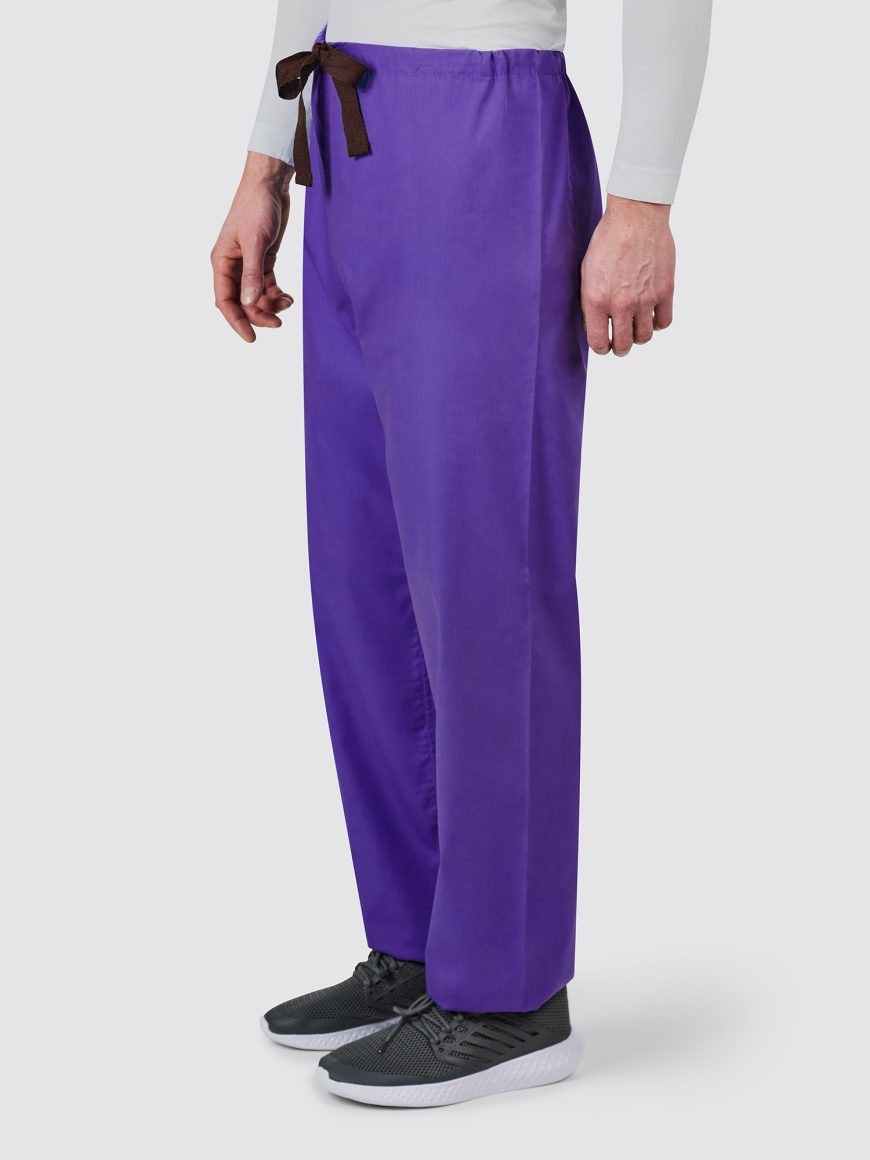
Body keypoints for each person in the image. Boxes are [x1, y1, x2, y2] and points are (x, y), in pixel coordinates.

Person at [211, 0, 711, 1108]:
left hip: (484, 121)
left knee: (488, 576)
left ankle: (510, 993)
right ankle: (421, 946)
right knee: (368, 577)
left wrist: (643, 195)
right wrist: (265, 154)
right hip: (346, 117)